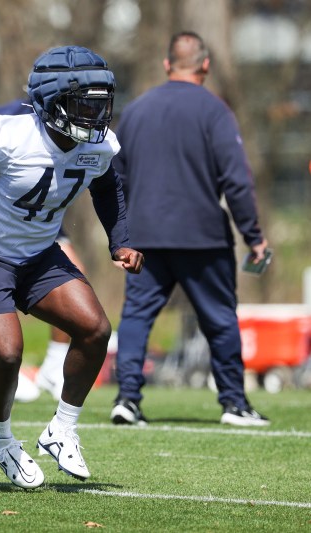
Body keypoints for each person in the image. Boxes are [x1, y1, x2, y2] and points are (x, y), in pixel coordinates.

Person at [0, 45, 144, 488]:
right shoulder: (9, 135)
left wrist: (119, 239)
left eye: (102, 103)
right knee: (7, 353)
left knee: (96, 329)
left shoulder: (99, 145)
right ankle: (1, 439)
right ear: (55, 102)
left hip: (38, 253)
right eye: (86, 103)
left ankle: (62, 429)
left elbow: (107, 186)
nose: (96, 114)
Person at [111, 31, 270, 427]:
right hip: (201, 236)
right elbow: (236, 180)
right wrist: (253, 236)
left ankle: (127, 400)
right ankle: (234, 403)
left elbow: (115, 177)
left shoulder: (135, 111)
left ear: (167, 65)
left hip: (144, 235)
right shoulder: (215, 111)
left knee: (136, 316)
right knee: (218, 317)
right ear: (205, 65)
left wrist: (120, 235)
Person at [0, 97, 90, 403]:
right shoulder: (6, 117)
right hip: (0, 220)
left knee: (76, 280)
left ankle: (54, 367)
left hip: (43, 220)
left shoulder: (83, 122)